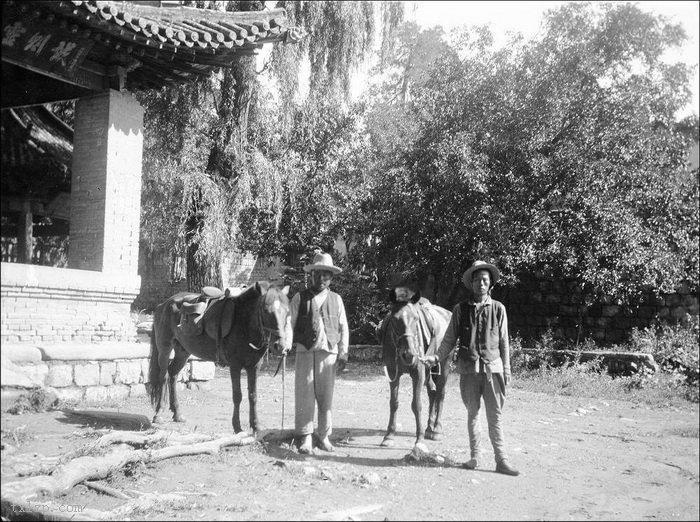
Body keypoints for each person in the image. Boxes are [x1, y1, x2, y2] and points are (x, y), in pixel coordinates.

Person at [421, 260, 520, 476]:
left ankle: (501, 460)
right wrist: (435, 358)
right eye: (477, 280)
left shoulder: (498, 309)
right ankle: (475, 457)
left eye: (485, 280)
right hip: (468, 371)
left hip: (493, 370)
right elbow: (448, 340)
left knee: (495, 417)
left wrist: (507, 370)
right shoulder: (460, 310)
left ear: (490, 283)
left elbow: (504, 343)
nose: (481, 284)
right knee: (473, 414)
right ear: (471, 284)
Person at [287, 252, 349, 454]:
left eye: (326, 275)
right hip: (305, 352)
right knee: (304, 394)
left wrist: (343, 351)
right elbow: (289, 323)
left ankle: (323, 436)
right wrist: (286, 344)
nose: (322, 279)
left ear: (331, 277)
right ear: (311, 275)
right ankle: (305, 437)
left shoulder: (336, 299)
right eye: (318, 274)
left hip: (328, 353)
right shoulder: (299, 298)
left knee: (326, 396)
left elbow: (343, 327)